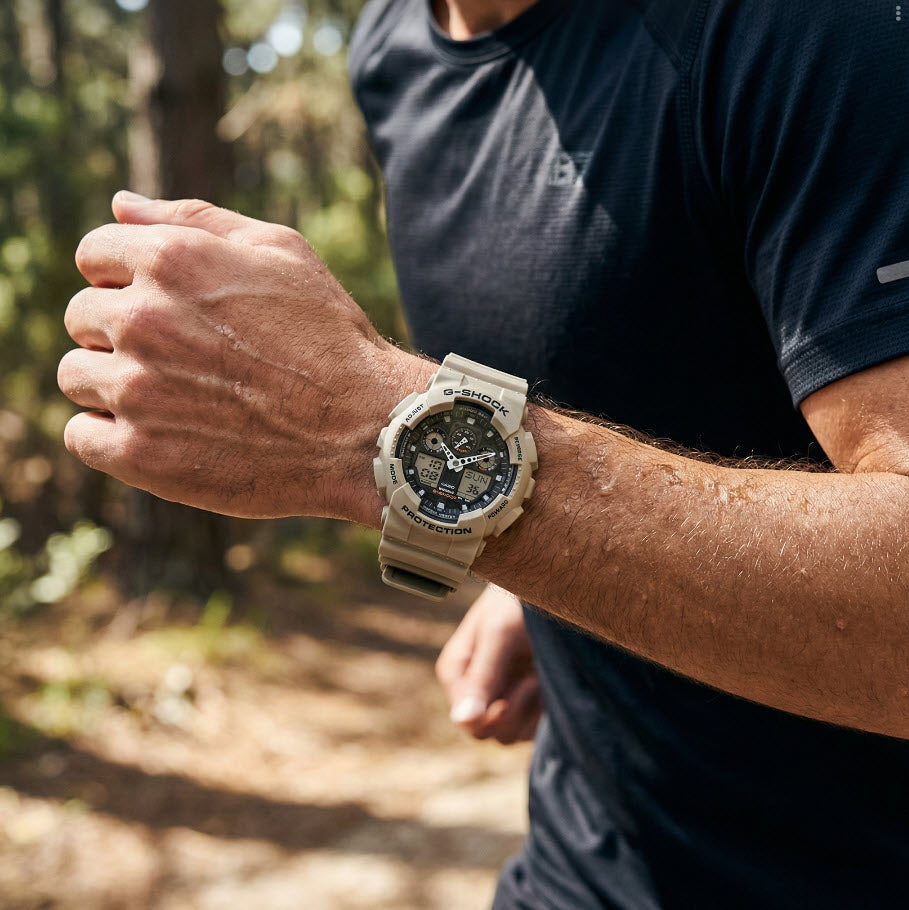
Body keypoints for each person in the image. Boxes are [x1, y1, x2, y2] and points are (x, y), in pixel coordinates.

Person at [57, 0, 909, 906]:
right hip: (582, 869)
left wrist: (371, 433)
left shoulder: (812, 28)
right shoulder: (394, 51)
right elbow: (656, 365)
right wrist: (545, 575)